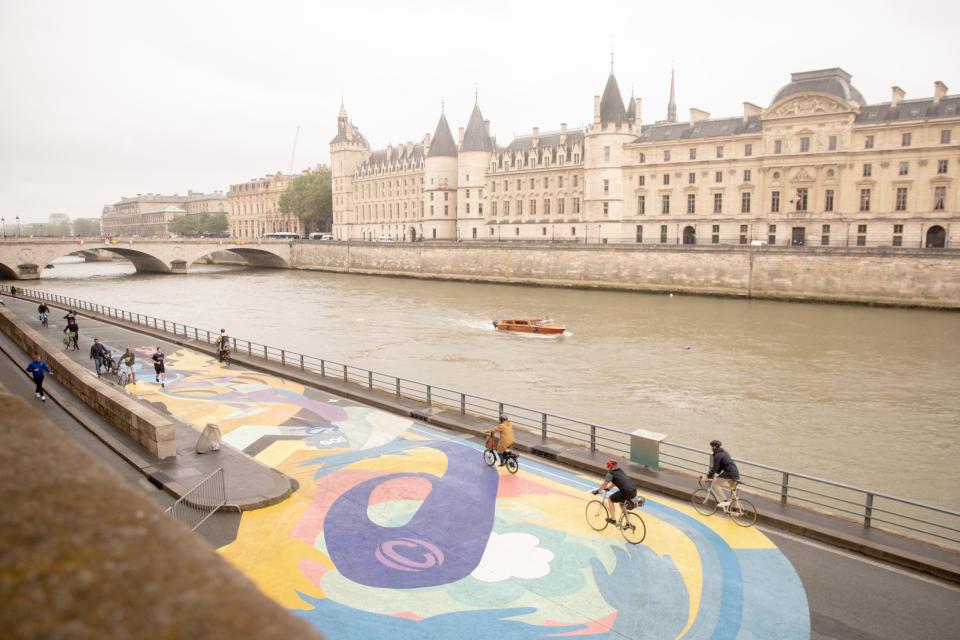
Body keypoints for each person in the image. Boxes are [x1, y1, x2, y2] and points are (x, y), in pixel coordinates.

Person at [593, 460, 638, 525]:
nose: (607, 468)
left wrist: (597, 491)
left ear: (610, 467)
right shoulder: (620, 470)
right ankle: (629, 523)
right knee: (621, 504)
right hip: (634, 490)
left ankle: (613, 519)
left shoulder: (610, 474)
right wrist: (609, 488)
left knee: (610, 499)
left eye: (608, 467)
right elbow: (615, 482)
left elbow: (604, 484)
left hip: (626, 491)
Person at [701, 439, 740, 506]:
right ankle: (734, 507)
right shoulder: (725, 453)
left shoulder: (717, 455)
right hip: (735, 473)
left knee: (715, 483)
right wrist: (713, 474)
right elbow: (720, 467)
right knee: (732, 488)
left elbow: (715, 468)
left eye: (711, 446)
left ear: (714, 447)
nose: (710, 448)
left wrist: (707, 477)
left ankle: (724, 500)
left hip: (729, 473)